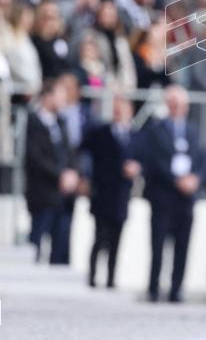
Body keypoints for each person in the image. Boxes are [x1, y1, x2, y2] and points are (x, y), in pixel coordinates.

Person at [135, 84, 206, 303]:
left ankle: (177, 288)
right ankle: (154, 287)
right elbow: (153, 160)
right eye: (172, 103)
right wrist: (176, 180)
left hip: (186, 198)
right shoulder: (155, 130)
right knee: (158, 244)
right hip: (163, 195)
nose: (176, 107)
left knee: (183, 245)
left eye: (180, 103)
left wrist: (196, 179)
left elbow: (202, 159)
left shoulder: (194, 130)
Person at [80, 94, 139, 289]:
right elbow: (82, 150)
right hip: (102, 194)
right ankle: (92, 276)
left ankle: (111, 278)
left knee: (116, 240)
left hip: (121, 196)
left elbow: (144, 160)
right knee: (99, 238)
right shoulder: (100, 133)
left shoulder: (135, 136)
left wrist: (137, 169)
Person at [24, 78, 79, 264]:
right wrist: (59, 175)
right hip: (42, 192)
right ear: (47, 96)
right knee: (37, 241)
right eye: (60, 94)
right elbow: (36, 157)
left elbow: (70, 153)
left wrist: (72, 173)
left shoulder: (61, 123)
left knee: (61, 244)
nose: (64, 99)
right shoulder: (33, 122)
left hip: (63, 196)